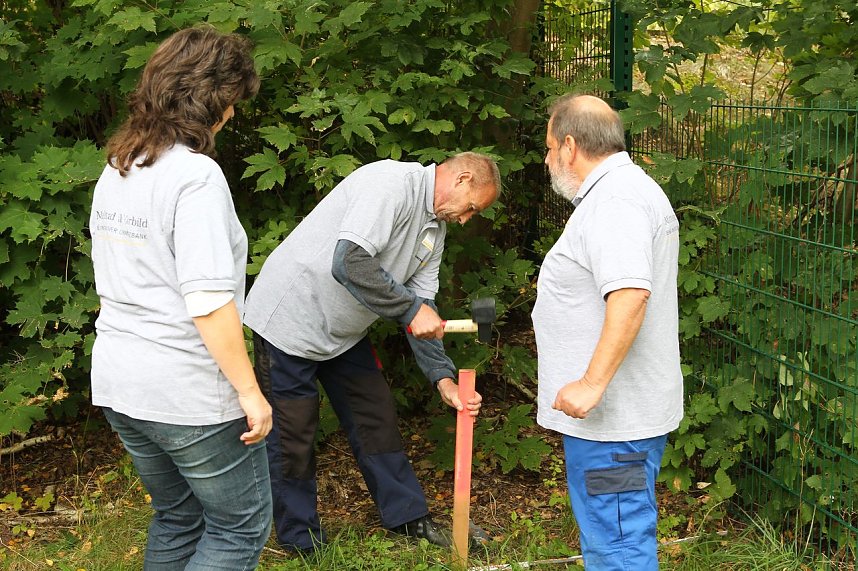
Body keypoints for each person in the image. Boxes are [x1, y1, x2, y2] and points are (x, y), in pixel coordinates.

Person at [244, 152, 500, 552]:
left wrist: (443, 379)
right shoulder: (390, 185)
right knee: (293, 436)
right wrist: (411, 309)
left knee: (375, 416)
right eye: (471, 208)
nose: (467, 219)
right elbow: (349, 262)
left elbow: (422, 308)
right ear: (462, 178)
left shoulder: (434, 230)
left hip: (343, 333)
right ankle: (301, 539)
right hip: (290, 321)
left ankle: (408, 518)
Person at [89, 27, 273, 570]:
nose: (232, 115)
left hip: (121, 380)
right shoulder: (196, 178)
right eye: (232, 101)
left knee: (178, 517)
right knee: (239, 529)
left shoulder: (121, 165)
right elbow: (209, 302)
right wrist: (250, 393)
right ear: (211, 98)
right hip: (186, 390)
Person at [531, 94, 684, 570]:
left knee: (618, 541)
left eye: (550, 148)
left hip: (615, 427)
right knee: (613, 532)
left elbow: (630, 294)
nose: (547, 160)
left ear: (570, 146)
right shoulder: (624, 192)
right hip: (613, 423)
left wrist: (591, 383)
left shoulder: (616, 201)